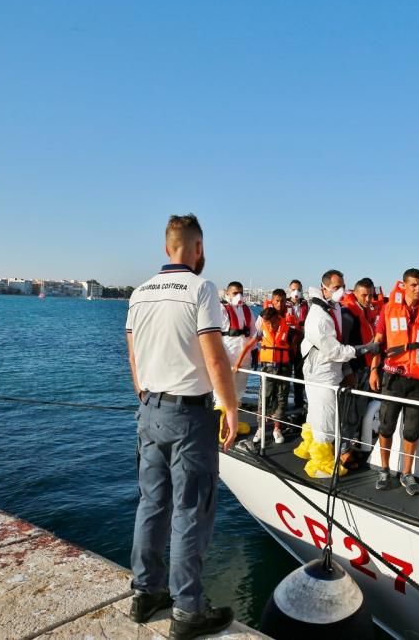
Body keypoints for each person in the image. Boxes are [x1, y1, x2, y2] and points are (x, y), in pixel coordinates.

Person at [125, 214, 237, 638]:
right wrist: (229, 408)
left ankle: (147, 593)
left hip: (149, 410)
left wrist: (147, 399)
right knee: (191, 509)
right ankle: (188, 609)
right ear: (196, 248)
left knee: (152, 504)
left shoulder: (140, 293)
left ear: (165, 247)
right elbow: (214, 357)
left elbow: (135, 359)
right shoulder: (200, 288)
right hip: (189, 416)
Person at [294, 270, 379, 478]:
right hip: (322, 371)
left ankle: (308, 447)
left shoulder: (333, 309)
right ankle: (321, 464)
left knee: (316, 415)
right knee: (326, 418)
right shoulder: (318, 316)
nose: (340, 291)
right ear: (324, 288)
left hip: (329, 370)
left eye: (342, 286)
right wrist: (365, 349)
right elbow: (334, 350)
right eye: (335, 287)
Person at [370, 268, 419, 496]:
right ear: (405, 285)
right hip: (393, 376)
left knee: (412, 429)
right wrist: (373, 370)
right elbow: (378, 342)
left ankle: (406, 473)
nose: (418, 289)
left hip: (418, 380)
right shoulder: (389, 310)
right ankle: (384, 470)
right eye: (413, 285)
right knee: (386, 425)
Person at [235, 293, 290, 444]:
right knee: (264, 397)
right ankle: (260, 427)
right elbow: (248, 345)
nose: (269, 325)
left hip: (283, 368)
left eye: (270, 322)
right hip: (267, 368)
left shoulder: (286, 326)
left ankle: (277, 429)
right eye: (266, 322)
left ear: (276, 318)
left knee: (281, 398)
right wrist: (238, 364)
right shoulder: (263, 328)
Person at [338, 277, 377, 468]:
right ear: (355, 294)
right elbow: (342, 346)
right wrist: (347, 373)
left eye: (371, 295)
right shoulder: (347, 314)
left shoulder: (367, 313)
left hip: (365, 369)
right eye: (364, 295)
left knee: (359, 411)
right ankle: (342, 452)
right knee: (348, 414)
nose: (369, 299)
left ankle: (350, 446)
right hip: (352, 370)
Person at [218, 281, 253, 410]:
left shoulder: (247, 310)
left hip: (245, 358)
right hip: (227, 357)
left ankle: (234, 423)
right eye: (235, 293)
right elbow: (215, 334)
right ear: (228, 294)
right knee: (222, 393)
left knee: (239, 392)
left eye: (241, 293)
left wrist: (254, 352)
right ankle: (222, 424)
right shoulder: (221, 309)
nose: (239, 296)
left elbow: (253, 333)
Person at [286, 279, 309, 410]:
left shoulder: (306, 305)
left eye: (299, 289)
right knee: (286, 373)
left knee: (301, 374)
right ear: (289, 290)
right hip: (288, 343)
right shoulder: (285, 305)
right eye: (294, 289)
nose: (296, 292)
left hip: (301, 342)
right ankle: (282, 404)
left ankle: (299, 402)